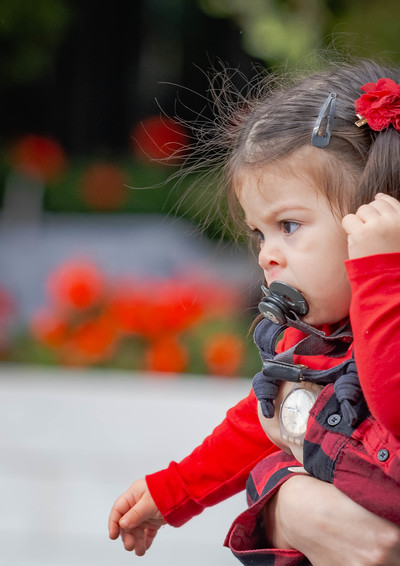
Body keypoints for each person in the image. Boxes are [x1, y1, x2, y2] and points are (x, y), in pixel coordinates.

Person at [108, 59, 400, 564]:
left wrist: (379, 275)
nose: (267, 254)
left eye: (289, 226)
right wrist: (173, 490)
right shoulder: (310, 341)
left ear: (378, 214)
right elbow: (258, 423)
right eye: (259, 233)